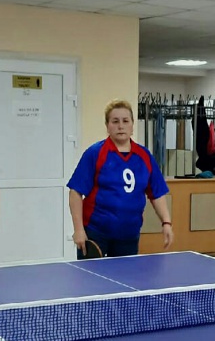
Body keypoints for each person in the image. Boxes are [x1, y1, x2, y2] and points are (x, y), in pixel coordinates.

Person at [68, 99, 173, 257]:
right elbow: (75, 192)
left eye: (125, 121)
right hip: (96, 233)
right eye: (115, 121)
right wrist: (78, 230)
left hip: (129, 235)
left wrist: (166, 222)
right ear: (107, 126)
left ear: (132, 125)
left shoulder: (144, 156)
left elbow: (157, 193)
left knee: (125, 272)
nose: (121, 126)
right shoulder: (95, 153)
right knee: (91, 274)